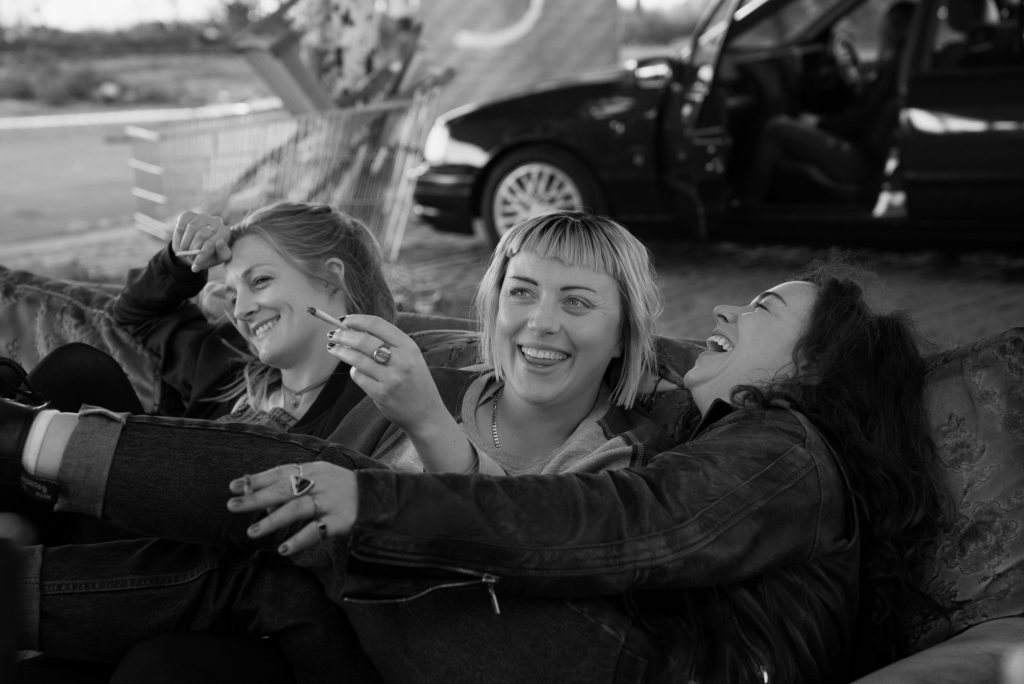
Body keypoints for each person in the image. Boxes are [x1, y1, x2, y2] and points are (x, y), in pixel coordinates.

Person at [0, 253, 947, 681]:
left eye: (764, 308)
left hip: (636, 669)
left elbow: (620, 526)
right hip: (571, 648)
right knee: (278, 561)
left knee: (319, 485)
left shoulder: (787, 450)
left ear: (813, 365)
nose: (731, 313)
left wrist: (379, 503)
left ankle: (14, 437)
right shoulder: (709, 433)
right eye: (522, 292)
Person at [741, 1, 917, 205]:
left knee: (775, 127)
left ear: (895, 30)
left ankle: (749, 204)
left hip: (858, 159)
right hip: (860, 147)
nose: (882, 33)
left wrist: (818, 123)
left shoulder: (896, 69)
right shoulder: (901, 64)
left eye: (887, 27)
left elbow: (861, 121)